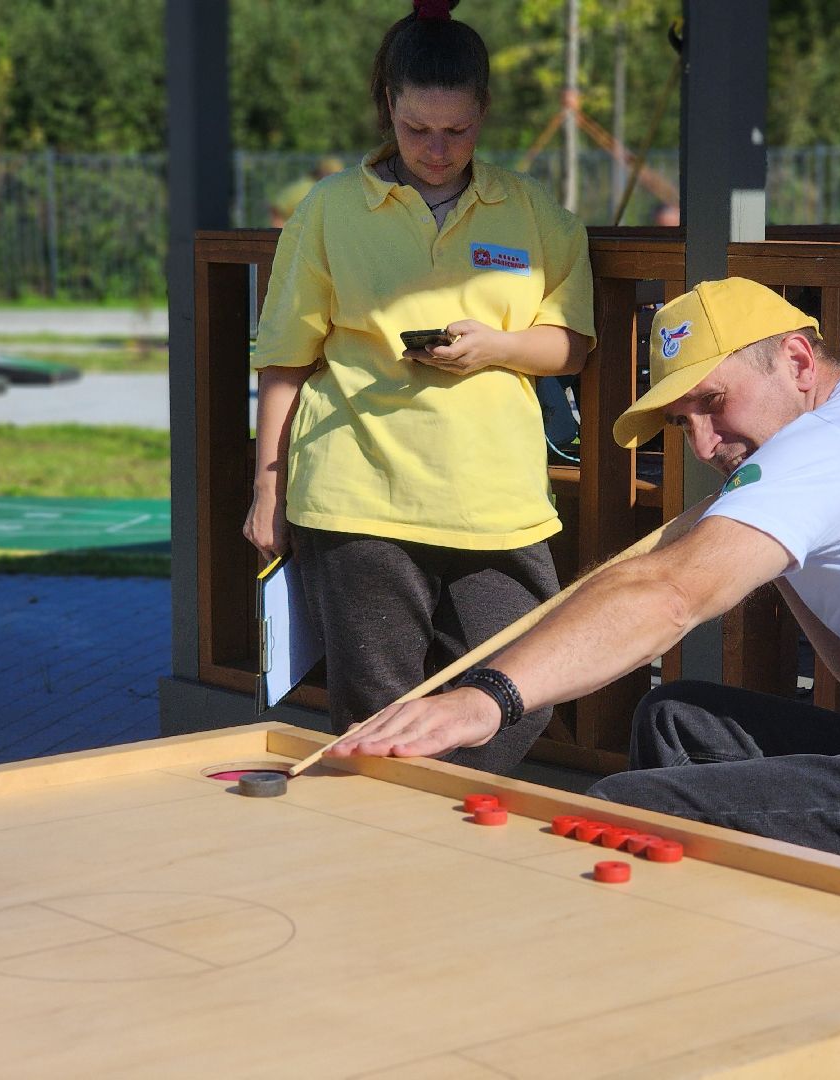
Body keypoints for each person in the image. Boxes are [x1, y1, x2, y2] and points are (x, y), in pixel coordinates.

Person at [325, 276, 840, 865]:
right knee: (679, 718)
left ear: (798, 361)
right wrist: (785, 556)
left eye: (712, 402)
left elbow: (668, 593)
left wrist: (483, 700)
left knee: (617, 820)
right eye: (681, 417)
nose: (702, 443)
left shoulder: (825, 450)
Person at [244, 0, 595, 775]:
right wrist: (268, 486)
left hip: (494, 496)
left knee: (523, 688)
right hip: (358, 490)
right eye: (416, 130)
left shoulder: (533, 211)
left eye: (457, 131)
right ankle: (391, 870)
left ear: (484, 114)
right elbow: (284, 356)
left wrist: (497, 346)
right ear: (387, 112)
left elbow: (570, 344)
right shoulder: (331, 207)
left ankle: (430, 836)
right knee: (376, 715)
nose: (436, 151)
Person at [268, 156, 346, 229]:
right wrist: (279, 231)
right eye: (331, 174)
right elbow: (277, 207)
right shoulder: (303, 188)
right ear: (322, 171)